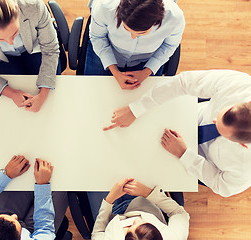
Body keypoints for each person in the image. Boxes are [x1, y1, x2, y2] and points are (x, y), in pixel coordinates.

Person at [103, 70, 251, 197]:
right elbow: (183, 82)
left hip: (190, 161)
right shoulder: (241, 85)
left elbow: (221, 185)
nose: (213, 120)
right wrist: (136, 109)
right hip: (185, 115)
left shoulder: (246, 166)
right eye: (219, 115)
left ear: (243, 145)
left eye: (220, 130)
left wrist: (184, 154)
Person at [85, 0, 185, 90]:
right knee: (92, 92)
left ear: (157, 21)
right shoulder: (104, 6)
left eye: (142, 33)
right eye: (126, 29)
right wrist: (115, 72)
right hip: (107, 50)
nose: (133, 36)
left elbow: (169, 45)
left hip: (148, 60)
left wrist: (146, 72)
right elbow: (98, 37)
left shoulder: (175, 17)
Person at [91, 178, 189, 240]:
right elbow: (179, 212)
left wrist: (109, 200)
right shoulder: (171, 238)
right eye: (147, 225)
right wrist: (148, 193)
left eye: (128, 229)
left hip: (113, 212)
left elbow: (97, 234)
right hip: (147, 201)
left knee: (93, 176)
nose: (136, 220)